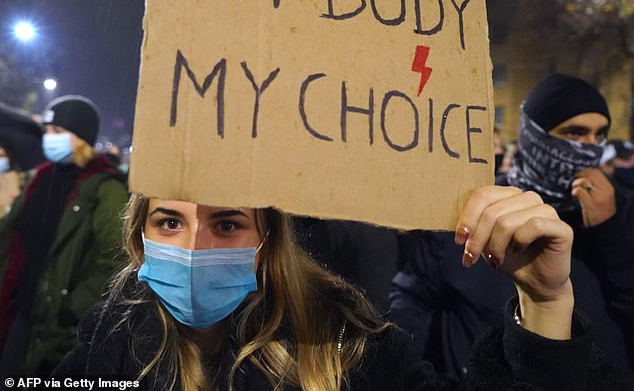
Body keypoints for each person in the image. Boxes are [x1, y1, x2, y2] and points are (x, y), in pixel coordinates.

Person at [50, 186, 631, 390]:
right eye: (169, 223)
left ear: (266, 240)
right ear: (140, 236)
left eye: (227, 223)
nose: (195, 245)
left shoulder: (347, 348)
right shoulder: (117, 331)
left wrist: (547, 303)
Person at [389, 74, 634, 379]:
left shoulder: (620, 209)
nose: (590, 147)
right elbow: (414, 297)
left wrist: (611, 232)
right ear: (533, 135)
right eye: (575, 133)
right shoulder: (481, 205)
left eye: (600, 135)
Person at [0, 95, 129, 377]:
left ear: (82, 137)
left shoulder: (105, 188)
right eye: (48, 131)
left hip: (55, 326)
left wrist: (72, 309)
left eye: (58, 132)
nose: (50, 138)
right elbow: (10, 236)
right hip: (19, 310)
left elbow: (118, 256)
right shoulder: (39, 178)